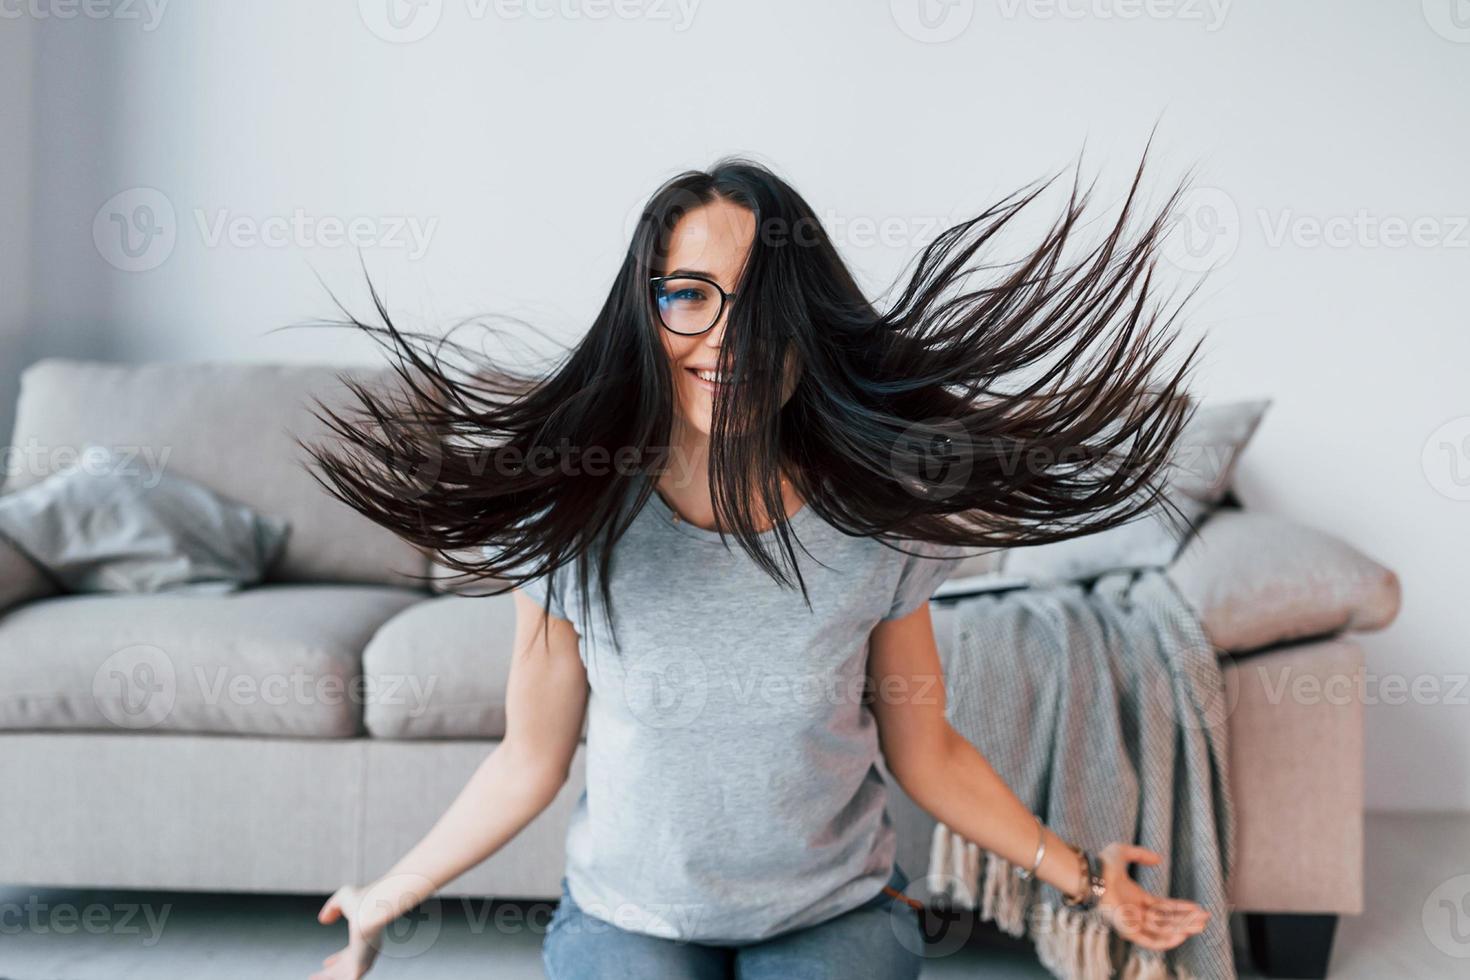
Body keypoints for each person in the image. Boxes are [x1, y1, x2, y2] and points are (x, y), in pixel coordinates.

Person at [302, 156, 1211, 979]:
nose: (725, 340)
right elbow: (526, 762)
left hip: (832, 913)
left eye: (761, 304)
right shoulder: (570, 525)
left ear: (808, 325)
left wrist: (1088, 879)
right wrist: (389, 894)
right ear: (646, 309)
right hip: (634, 919)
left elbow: (926, 753)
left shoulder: (876, 525)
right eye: (689, 295)